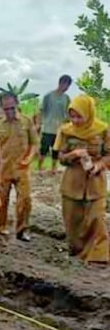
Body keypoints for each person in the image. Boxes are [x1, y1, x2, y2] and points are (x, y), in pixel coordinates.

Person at [53, 95, 110, 265]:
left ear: (89, 113)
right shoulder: (65, 131)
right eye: (72, 116)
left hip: (95, 182)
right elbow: (60, 158)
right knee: (72, 221)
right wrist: (73, 154)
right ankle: (77, 251)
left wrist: (98, 166)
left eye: (79, 116)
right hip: (72, 182)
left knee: (96, 218)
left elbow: (108, 155)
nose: (75, 121)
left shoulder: (102, 130)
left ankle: (98, 256)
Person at [0, 92, 38, 241]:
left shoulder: (26, 121)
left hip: (21, 168)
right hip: (2, 168)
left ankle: (22, 229)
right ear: (1, 108)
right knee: (1, 200)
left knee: (25, 199)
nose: (10, 111)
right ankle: (1, 227)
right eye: (6, 109)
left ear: (17, 104)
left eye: (12, 108)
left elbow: (34, 143)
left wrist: (29, 158)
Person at [38, 75, 72, 173]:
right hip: (47, 128)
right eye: (66, 85)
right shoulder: (48, 96)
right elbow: (41, 110)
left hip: (59, 129)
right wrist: (39, 123)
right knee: (43, 149)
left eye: (68, 86)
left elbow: (69, 112)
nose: (66, 87)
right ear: (61, 83)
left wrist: (68, 123)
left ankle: (53, 168)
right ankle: (40, 167)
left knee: (56, 150)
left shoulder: (66, 98)